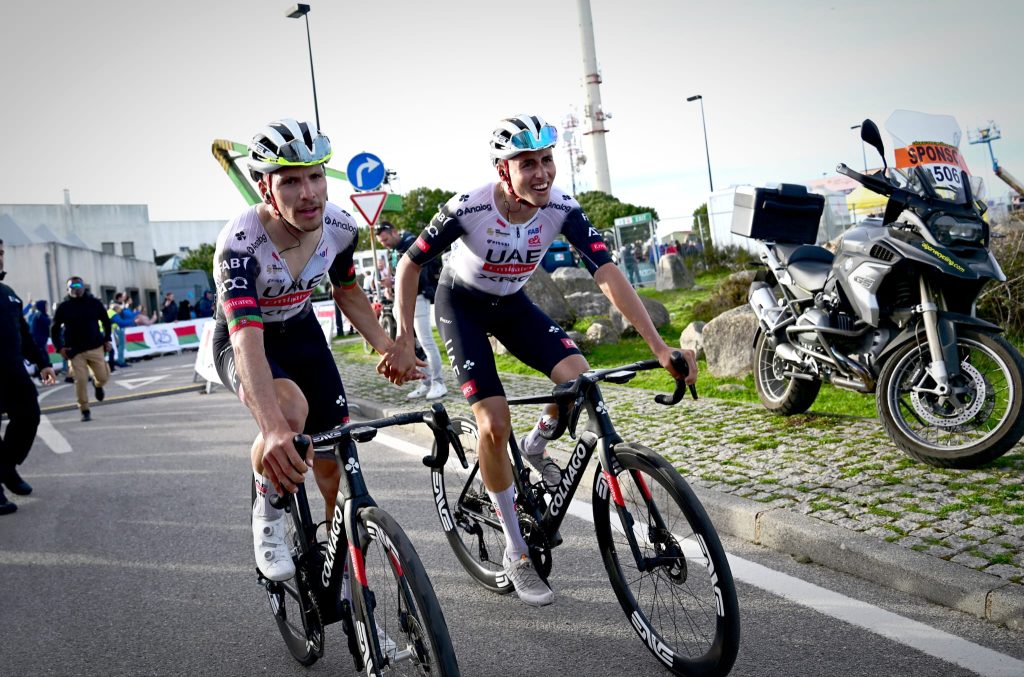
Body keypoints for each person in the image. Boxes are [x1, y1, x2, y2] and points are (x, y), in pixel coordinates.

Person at [380, 114, 697, 606]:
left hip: (512, 305)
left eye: (547, 160)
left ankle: (535, 446)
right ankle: (515, 551)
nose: (542, 173)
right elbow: (409, 262)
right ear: (503, 171)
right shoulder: (470, 207)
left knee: (578, 380)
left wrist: (659, 346)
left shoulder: (562, 209)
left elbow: (608, 274)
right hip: (459, 305)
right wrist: (403, 338)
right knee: (493, 424)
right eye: (528, 164)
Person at [213, 118, 406, 583]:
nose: (309, 193)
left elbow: (348, 292)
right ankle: (269, 514)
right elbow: (246, 340)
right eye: (291, 181)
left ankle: (335, 556)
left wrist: (390, 346)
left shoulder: (339, 226)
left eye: (316, 176)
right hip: (245, 340)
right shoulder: (238, 245)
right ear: (264, 188)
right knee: (289, 415)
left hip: (300, 331)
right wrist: (274, 428)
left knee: (332, 460)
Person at [0, 239, 57, 514]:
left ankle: (6, 468)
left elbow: (24, 335)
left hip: (12, 372)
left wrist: (43, 363)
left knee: (29, 417)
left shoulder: (8, 294)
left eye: (0, 253)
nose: (0, 258)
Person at [375, 221, 447, 400]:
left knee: (426, 340)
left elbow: (418, 275)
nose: (384, 244)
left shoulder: (412, 244)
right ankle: (426, 381)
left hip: (419, 296)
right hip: (405, 300)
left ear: (393, 232)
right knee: (414, 344)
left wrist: (396, 283)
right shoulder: (397, 249)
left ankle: (439, 382)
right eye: (381, 242)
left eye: (385, 239)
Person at [50, 276, 111, 422]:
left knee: (103, 377)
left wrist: (107, 339)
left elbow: (106, 321)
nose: (76, 288)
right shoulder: (63, 307)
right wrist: (59, 348)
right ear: (68, 289)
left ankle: (97, 385)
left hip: (95, 346)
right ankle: (84, 409)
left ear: (84, 287)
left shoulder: (94, 303)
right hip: (75, 351)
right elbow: (54, 329)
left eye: (78, 285)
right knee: (81, 380)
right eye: (72, 286)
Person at [28, 299, 52, 371]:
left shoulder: (41, 314)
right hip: (39, 341)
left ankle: (43, 376)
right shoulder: (39, 315)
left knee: (43, 358)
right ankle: (45, 377)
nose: (47, 308)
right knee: (44, 359)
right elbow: (48, 322)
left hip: (41, 341)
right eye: (46, 306)